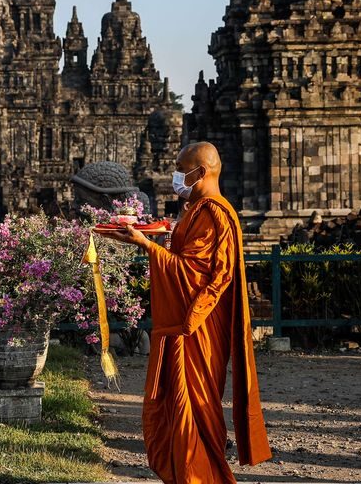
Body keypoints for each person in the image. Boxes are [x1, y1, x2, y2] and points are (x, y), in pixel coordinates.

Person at [98, 141, 272, 483]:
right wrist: (159, 239)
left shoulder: (214, 213)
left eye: (182, 170)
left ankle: (200, 476)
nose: (177, 177)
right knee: (176, 409)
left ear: (201, 172)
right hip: (187, 324)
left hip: (196, 325)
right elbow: (187, 261)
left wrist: (146, 244)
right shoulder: (195, 210)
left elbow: (197, 277)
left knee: (193, 408)